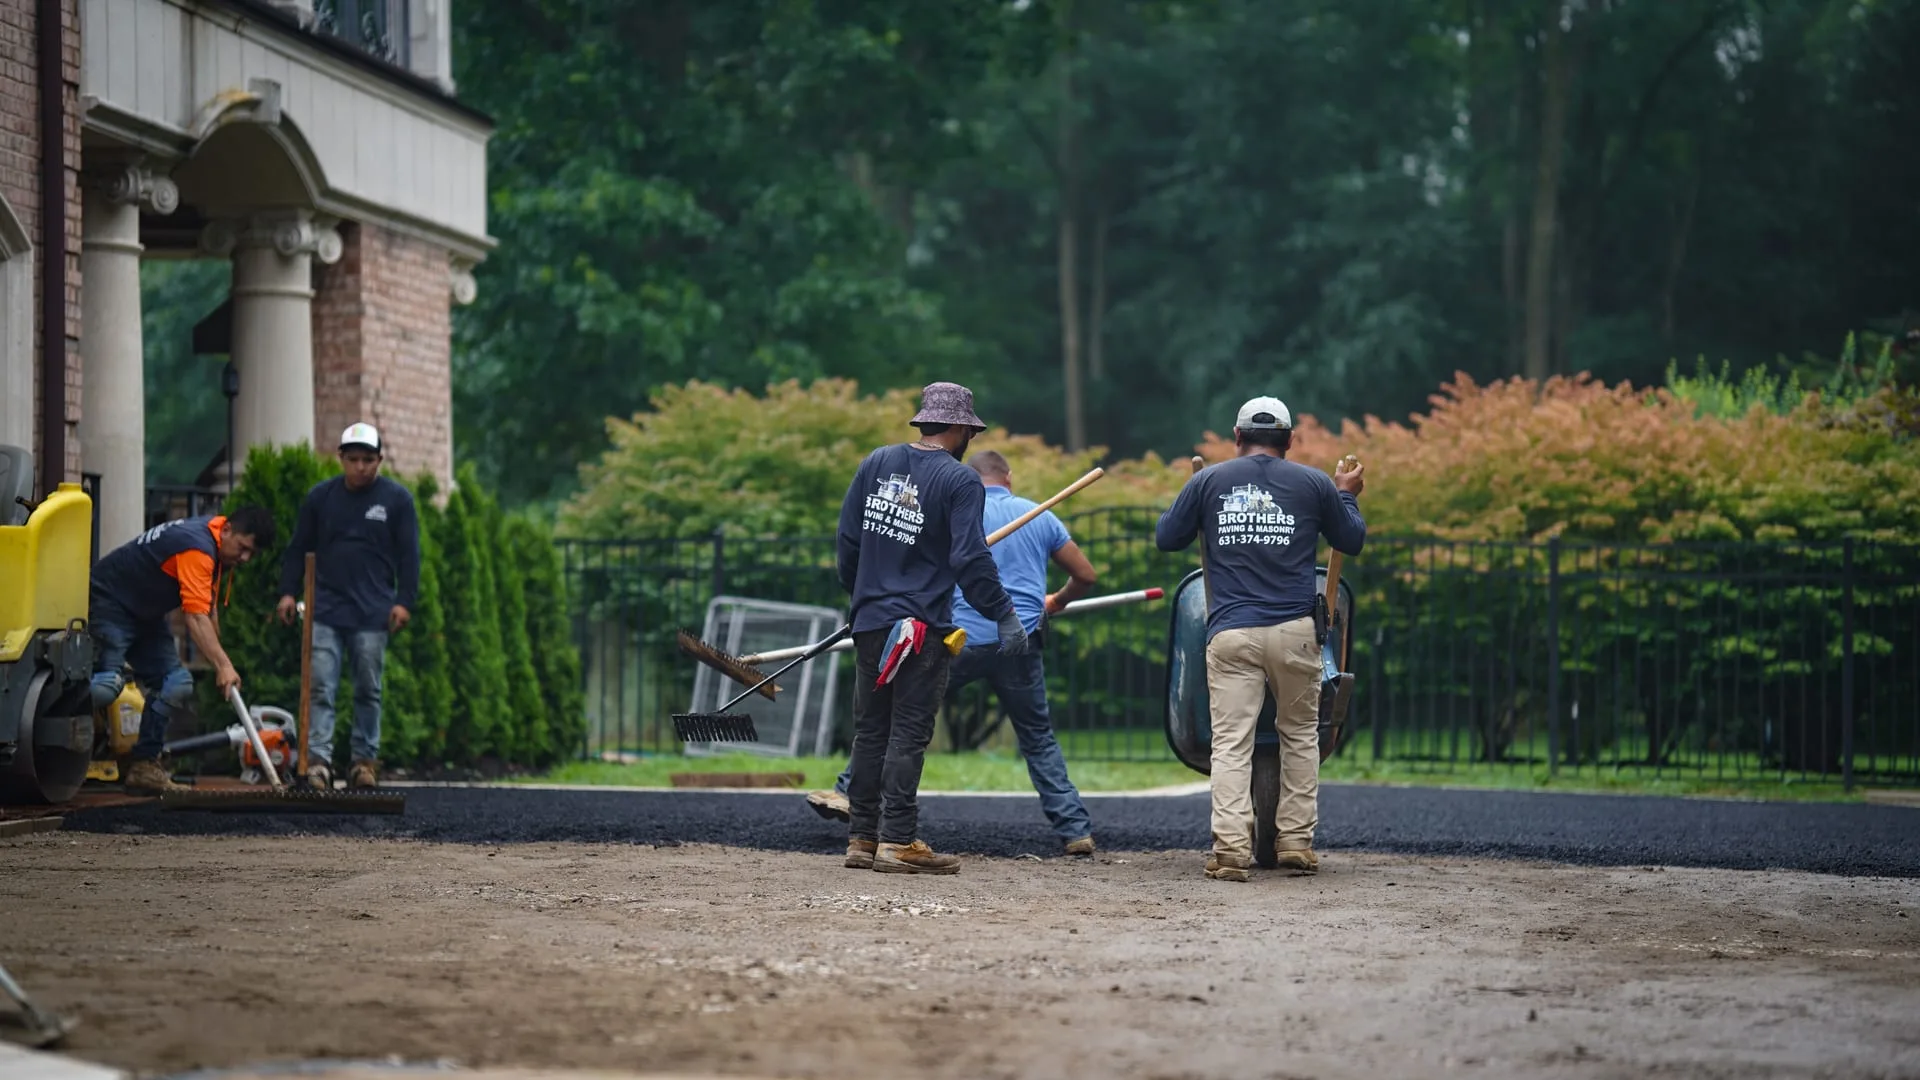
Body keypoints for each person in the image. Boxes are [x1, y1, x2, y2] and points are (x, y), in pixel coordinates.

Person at [806, 450, 1101, 855]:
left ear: (971, 478)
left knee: (898, 720)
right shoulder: (1038, 516)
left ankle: (849, 792)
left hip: (958, 639)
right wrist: (1057, 602)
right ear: (1008, 477)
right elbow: (1085, 574)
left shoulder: (951, 506)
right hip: (1019, 640)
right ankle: (1075, 830)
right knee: (1037, 737)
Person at [1155, 396, 1366, 881]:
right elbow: (1351, 540)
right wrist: (1346, 494)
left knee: (1231, 743)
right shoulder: (1314, 483)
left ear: (1236, 436)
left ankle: (1231, 850)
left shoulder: (1209, 481)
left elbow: (1167, 538)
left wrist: (1194, 499)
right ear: (1290, 440)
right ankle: (1294, 842)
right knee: (1300, 736)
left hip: (1232, 632)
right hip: (1297, 632)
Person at [834, 382, 1028, 875]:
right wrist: (1004, 613)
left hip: (873, 621)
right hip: (919, 630)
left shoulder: (875, 462)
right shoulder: (959, 480)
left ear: (924, 420)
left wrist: (861, 597)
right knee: (908, 733)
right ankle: (897, 840)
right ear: (962, 428)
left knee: (871, 730)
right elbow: (969, 557)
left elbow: (848, 542)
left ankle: (862, 837)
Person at [89, 506, 278, 795]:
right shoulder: (197, 547)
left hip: (146, 615)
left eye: (251, 553)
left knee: (175, 683)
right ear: (227, 530)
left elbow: (208, 608)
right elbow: (195, 618)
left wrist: (220, 663)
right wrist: (224, 665)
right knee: (106, 686)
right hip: (110, 601)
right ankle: (48, 738)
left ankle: (143, 765)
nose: (244, 558)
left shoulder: (215, 544)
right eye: (243, 549)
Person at [275, 423, 420, 790]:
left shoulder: (397, 501)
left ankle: (363, 762)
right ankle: (319, 761)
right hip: (325, 609)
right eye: (352, 459)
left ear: (379, 460)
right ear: (340, 458)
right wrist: (288, 593)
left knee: (368, 689)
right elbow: (297, 548)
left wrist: (404, 601)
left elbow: (410, 556)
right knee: (321, 686)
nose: (360, 467)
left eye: (367, 460)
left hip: (373, 613)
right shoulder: (320, 498)